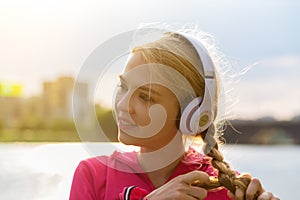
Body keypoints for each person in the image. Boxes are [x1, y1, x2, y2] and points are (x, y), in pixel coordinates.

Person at [70, 27, 280, 200]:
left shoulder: (226, 191)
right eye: (123, 86)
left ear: (192, 113)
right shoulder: (93, 175)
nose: (124, 105)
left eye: (146, 97)